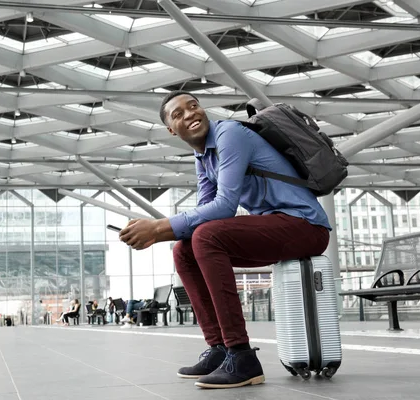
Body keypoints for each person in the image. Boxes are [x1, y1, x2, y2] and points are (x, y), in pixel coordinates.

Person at [118, 90, 331, 389]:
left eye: (193, 106)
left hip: (306, 226)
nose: (190, 113)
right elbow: (207, 210)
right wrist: (159, 234)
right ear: (170, 129)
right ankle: (219, 349)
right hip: (277, 227)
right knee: (185, 248)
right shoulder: (203, 154)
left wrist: (156, 228)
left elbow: (224, 207)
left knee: (205, 237)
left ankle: (241, 355)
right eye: (178, 114)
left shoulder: (229, 134)